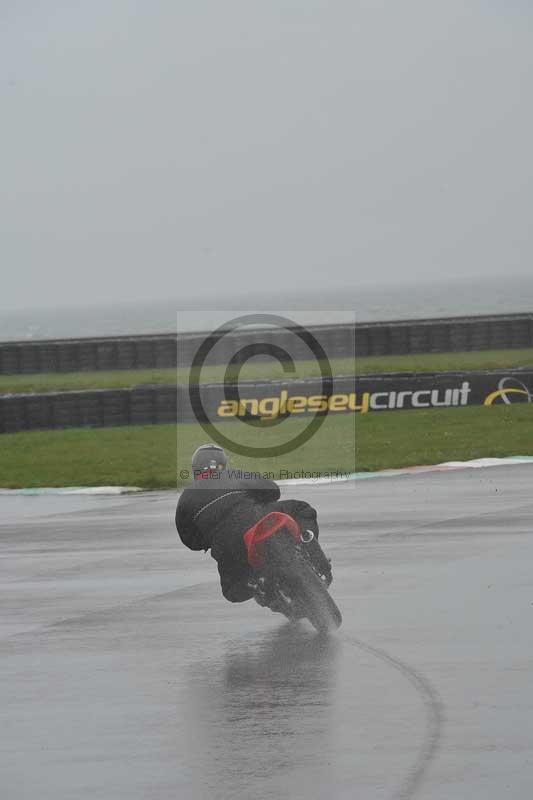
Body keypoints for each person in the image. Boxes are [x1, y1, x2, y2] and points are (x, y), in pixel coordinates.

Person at [175, 443, 332, 603]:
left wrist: (208, 539)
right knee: (302, 509)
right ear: (222, 464)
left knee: (231, 591)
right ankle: (307, 543)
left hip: (227, 546)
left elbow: (189, 540)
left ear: (196, 468)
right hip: (257, 520)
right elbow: (272, 490)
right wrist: (256, 499)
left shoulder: (186, 497)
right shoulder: (233, 475)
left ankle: (257, 584)